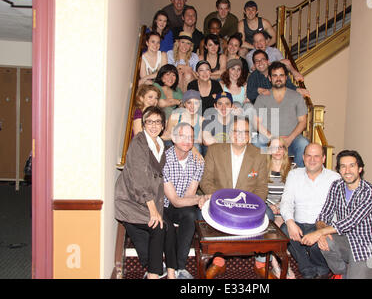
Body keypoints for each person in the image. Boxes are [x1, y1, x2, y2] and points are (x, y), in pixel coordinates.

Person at [199, 116, 276, 279]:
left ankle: (260, 263)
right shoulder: (214, 150)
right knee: (203, 216)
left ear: (249, 136)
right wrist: (218, 200)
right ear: (229, 133)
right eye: (236, 131)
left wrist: (253, 207)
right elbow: (205, 181)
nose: (240, 135)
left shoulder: (259, 155)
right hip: (219, 201)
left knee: (268, 216)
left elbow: (262, 187)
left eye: (245, 132)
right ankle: (218, 261)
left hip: (248, 205)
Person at [115, 106, 177, 279]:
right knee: (158, 227)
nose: (154, 125)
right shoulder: (139, 142)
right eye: (149, 121)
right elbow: (140, 178)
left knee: (169, 227)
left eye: (158, 122)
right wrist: (153, 210)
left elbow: (156, 180)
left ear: (163, 125)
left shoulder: (160, 144)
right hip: (130, 201)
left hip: (147, 201)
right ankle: (153, 275)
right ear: (143, 124)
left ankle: (172, 274)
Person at [300, 150, 372, 279]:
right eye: (343, 166)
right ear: (339, 170)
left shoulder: (371, 191)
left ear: (360, 168)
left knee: (321, 236)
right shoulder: (336, 186)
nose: (347, 170)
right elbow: (323, 215)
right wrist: (322, 233)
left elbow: (351, 221)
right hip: (344, 238)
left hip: (366, 247)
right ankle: (341, 272)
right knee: (325, 240)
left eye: (352, 166)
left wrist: (318, 233)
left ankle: (371, 272)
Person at [279, 143, 341, 279]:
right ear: (303, 157)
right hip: (299, 224)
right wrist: (290, 222)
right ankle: (307, 270)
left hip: (321, 225)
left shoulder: (335, 178)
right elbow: (286, 201)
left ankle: (322, 270)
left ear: (323, 158)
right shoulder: (294, 175)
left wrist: (325, 231)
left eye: (316, 156)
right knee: (284, 230)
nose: (312, 160)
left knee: (316, 244)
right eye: (308, 155)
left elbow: (339, 208)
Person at [163, 122, 206, 279]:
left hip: (181, 204)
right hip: (163, 205)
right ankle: (169, 268)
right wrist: (201, 198)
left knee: (190, 215)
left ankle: (180, 267)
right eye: (183, 136)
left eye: (191, 137)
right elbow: (173, 200)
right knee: (166, 225)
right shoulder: (164, 160)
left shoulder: (198, 161)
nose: (188, 140)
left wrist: (199, 199)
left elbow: (189, 195)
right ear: (174, 138)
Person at [253, 61, 309, 168]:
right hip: (268, 141)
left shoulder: (296, 97)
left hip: (291, 141)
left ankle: (298, 176)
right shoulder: (262, 98)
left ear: (286, 77)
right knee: (256, 142)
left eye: (281, 75)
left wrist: (290, 139)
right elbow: (256, 122)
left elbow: (302, 122)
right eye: (274, 75)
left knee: (303, 143)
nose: (278, 78)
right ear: (270, 78)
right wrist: (272, 138)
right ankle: (261, 174)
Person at [265, 137, 296, 279]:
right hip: (268, 207)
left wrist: (280, 206)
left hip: (286, 207)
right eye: (274, 147)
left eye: (281, 147)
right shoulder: (261, 166)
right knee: (273, 226)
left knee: (278, 228)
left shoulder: (293, 168)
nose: (277, 151)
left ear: (285, 150)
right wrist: (269, 206)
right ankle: (280, 265)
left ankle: (281, 265)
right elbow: (256, 190)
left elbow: (295, 193)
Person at [163, 90, 205, 155]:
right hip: (177, 146)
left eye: (196, 103)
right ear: (184, 104)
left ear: (199, 104)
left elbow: (200, 141)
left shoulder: (201, 120)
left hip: (192, 147)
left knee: (196, 146)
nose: (192, 106)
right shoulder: (175, 117)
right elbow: (167, 135)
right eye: (189, 103)